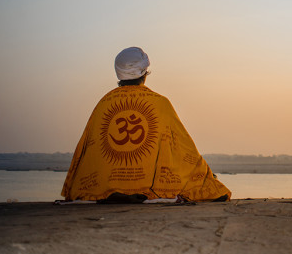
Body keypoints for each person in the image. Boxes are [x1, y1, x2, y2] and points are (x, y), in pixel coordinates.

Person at [61, 47, 231, 202]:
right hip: (149, 187)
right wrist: (205, 176)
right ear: (144, 73)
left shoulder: (103, 104)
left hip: (105, 187)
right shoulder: (160, 103)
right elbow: (184, 148)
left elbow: (88, 150)